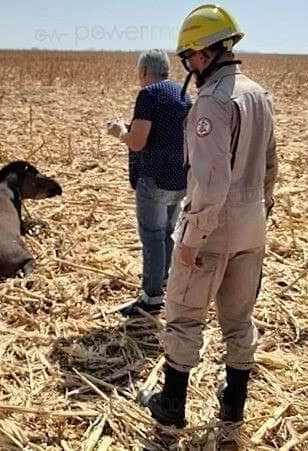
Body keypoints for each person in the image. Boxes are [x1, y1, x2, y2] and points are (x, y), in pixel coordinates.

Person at [138, 4, 279, 432]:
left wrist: (192, 239)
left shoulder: (211, 104)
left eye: (189, 57)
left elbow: (212, 183)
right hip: (252, 226)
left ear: (203, 54)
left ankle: (172, 406)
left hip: (212, 230)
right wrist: (261, 213)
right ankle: (233, 407)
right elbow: (272, 165)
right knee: (239, 318)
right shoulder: (258, 93)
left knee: (183, 315)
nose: (189, 66)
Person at [107, 49, 192, 317]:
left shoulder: (148, 94)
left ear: (144, 71)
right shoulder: (183, 94)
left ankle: (151, 298)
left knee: (152, 237)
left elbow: (137, 141)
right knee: (167, 233)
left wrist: (120, 132)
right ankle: (163, 281)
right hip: (179, 179)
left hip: (154, 180)